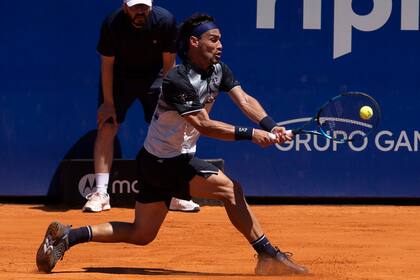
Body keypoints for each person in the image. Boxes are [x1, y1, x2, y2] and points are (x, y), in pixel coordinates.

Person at [36, 13, 308, 275]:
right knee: (229, 189)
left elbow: (245, 100)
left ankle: (68, 236)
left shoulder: (218, 71)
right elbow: (203, 124)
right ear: (194, 42)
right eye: (213, 39)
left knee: (141, 234)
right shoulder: (177, 79)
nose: (220, 45)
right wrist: (252, 135)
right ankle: (268, 255)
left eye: (220, 39)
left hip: (157, 161)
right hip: (166, 163)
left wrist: (271, 126)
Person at [83, 0, 200, 213]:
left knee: (169, 129)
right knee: (107, 126)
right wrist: (108, 104)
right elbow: (107, 65)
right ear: (125, 7)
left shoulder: (165, 21)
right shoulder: (112, 23)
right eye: (136, 6)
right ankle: (101, 193)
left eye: (144, 7)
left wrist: (169, 99)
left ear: (151, 6)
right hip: (119, 78)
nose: (140, 11)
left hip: (155, 77)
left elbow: (169, 64)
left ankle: (173, 193)